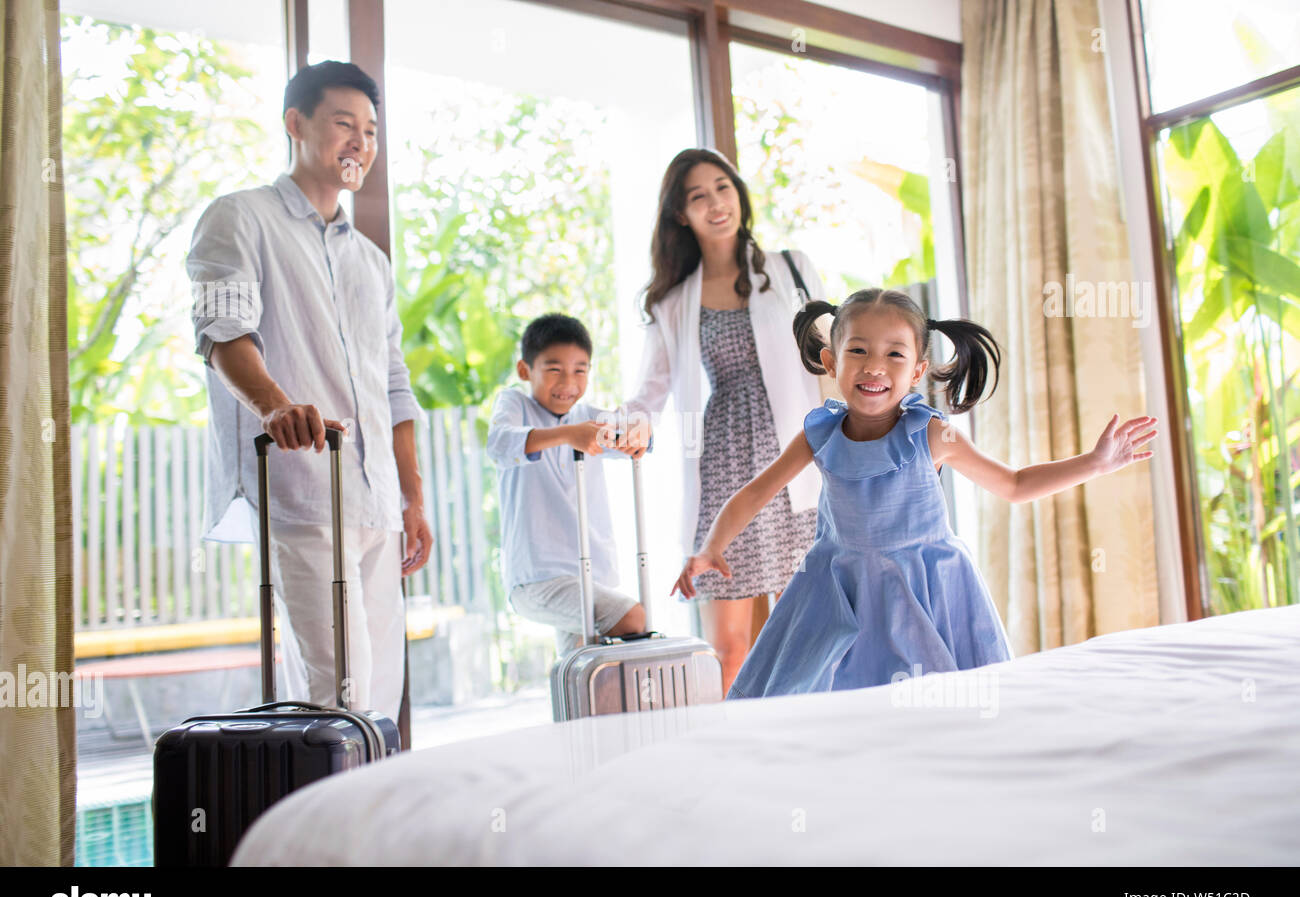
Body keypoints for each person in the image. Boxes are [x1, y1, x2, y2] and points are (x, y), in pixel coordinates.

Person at [672, 288, 1158, 698]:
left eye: (895, 354)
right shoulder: (820, 435)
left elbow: (1013, 485)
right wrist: (711, 547)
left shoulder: (930, 435)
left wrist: (1095, 462)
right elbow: (755, 493)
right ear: (830, 360)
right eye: (858, 351)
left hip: (926, 589)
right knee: (822, 700)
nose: (874, 367)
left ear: (918, 369)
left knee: (935, 700)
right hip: (839, 591)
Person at [188, 61, 432, 721]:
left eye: (372, 131)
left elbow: (394, 386)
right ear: (296, 125)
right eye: (344, 125)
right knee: (339, 696)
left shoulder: (371, 261)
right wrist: (275, 406)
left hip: (379, 504)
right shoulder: (238, 219)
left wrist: (412, 497)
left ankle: (375, 824)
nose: (360, 143)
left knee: (380, 702)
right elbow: (222, 332)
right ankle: (330, 826)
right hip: (304, 493)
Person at [620, 147, 829, 695]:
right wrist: (628, 427)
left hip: (799, 461)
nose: (716, 203)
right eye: (698, 196)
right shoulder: (672, 302)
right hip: (724, 469)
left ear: (739, 195)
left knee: (810, 633)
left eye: (723, 187)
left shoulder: (790, 269)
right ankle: (732, 753)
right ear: (680, 215)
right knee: (729, 648)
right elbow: (648, 394)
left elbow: (833, 356)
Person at [487, 314, 651, 657]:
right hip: (539, 578)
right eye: (554, 369)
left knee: (579, 669)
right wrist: (567, 435)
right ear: (524, 370)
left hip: (591, 570)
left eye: (580, 370)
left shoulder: (587, 416)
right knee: (634, 618)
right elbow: (499, 444)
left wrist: (641, 433)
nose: (568, 382)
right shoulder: (515, 405)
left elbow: (640, 437)